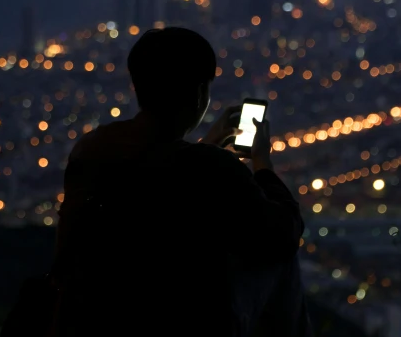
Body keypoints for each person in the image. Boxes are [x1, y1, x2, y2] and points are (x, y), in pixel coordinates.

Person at [51, 27, 306, 336]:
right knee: (282, 262)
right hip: (176, 321)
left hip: (85, 317)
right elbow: (284, 232)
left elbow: (158, 167)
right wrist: (263, 163)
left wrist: (205, 145)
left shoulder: (92, 146)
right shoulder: (212, 169)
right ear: (200, 93)